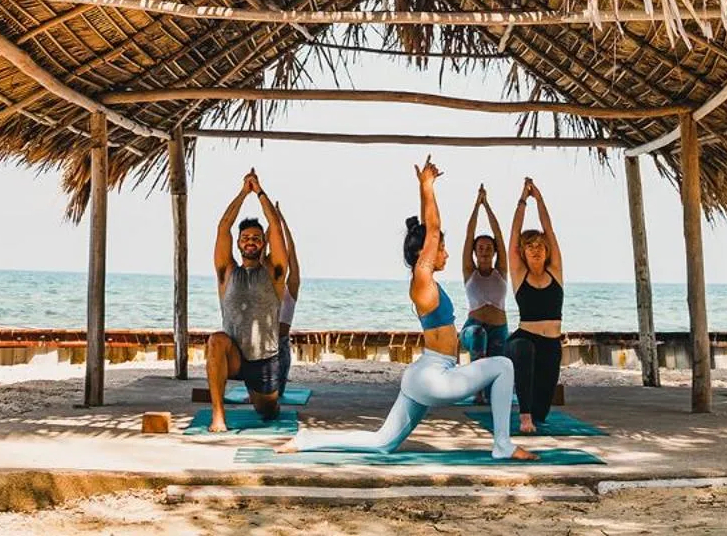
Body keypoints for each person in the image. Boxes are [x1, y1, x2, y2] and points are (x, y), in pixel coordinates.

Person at [280, 158, 536, 461]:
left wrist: (422, 190)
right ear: (423, 253)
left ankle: (307, 440)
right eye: (441, 248)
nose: (446, 253)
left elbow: (428, 230)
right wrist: (428, 188)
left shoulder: (425, 281)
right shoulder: (422, 280)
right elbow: (433, 230)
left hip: (426, 373)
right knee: (504, 366)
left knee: (381, 443)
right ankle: (503, 445)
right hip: (435, 378)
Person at [204, 169, 289, 432]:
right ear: (239, 244)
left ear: (263, 244)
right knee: (216, 340)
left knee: (268, 413)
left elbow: (275, 228)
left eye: (256, 238)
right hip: (234, 357)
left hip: (264, 360)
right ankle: (218, 416)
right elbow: (222, 228)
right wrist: (243, 193)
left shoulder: (274, 273)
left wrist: (260, 193)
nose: (250, 241)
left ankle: (266, 397)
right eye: (245, 238)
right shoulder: (226, 272)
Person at [504, 176, 565, 434]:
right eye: (530, 248)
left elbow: (549, 229)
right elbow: (513, 235)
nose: (536, 250)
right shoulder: (520, 275)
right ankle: (524, 415)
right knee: (523, 350)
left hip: (551, 344)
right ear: (523, 253)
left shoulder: (555, 271)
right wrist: (522, 201)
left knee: (543, 412)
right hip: (524, 339)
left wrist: (539, 198)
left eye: (540, 246)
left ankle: (533, 411)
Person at [460, 184, 508, 361]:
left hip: (499, 329)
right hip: (474, 330)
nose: (485, 251)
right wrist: (477, 205)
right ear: (475, 252)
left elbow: (499, 235)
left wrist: (486, 205)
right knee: (479, 336)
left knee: (496, 370)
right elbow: (469, 234)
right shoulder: (469, 272)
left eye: (489, 247)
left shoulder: (501, 272)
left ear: (494, 251)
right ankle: (476, 384)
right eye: (480, 247)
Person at [268, 196, 301, 395]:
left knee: (275, 396)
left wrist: (281, 220)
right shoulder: (264, 286)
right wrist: (272, 222)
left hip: (280, 347)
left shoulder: (291, 290)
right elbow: (264, 249)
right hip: (261, 347)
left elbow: (291, 251)